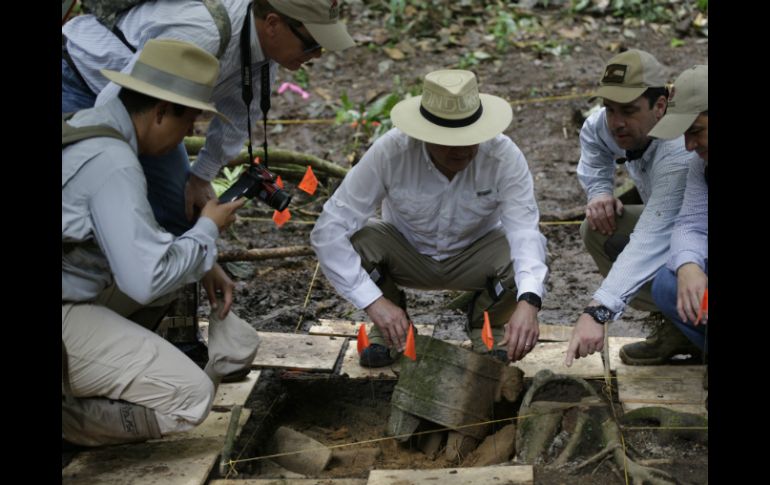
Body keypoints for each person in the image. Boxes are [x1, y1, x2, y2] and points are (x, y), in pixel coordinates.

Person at [62, 39, 260, 447]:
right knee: (190, 399)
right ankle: (69, 420)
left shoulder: (89, 125)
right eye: (188, 125)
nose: (187, 135)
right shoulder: (112, 162)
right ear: (159, 113)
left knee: (171, 273)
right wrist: (207, 229)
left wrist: (205, 261)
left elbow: (141, 249)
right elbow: (147, 279)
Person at [311, 69, 549, 367]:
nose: (461, 149)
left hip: (476, 255)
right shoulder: (392, 152)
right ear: (423, 133)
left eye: (469, 138)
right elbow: (328, 230)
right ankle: (390, 326)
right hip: (406, 253)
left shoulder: (503, 156)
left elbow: (524, 232)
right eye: (447, 139)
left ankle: (486, 324)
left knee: (532, 250)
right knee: (360, 241)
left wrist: (529, 302)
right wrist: (374, 302)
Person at [63, 0, 355, 235]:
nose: (316, 55)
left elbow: (240, 116)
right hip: (82, 80)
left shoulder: (265, 58)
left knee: (182, 209)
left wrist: (201, 176)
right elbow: (113, 103)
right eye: (311, 44)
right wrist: (120, 175)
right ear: (273, 24)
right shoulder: (202, 33)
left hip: (151, 113)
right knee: (96, 201)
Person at [564, 49, 701, 367]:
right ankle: (678, 327)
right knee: (598, 228)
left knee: (673, 281)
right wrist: (599, 192)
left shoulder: (680, 148)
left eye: (628, 110)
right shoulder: (611, 125)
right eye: (609, 109)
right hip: (683, 228)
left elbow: (652, 236)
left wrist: (597, 311)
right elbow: (593, 140)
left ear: (661, 107)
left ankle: (695, 328)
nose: (616, 123)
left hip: (683, 229)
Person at [648, 65, 708, 358]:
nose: (689, 145)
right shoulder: (703, 164)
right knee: (668, 285)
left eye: (696, 131)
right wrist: (688, 265)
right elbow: (690, 223)